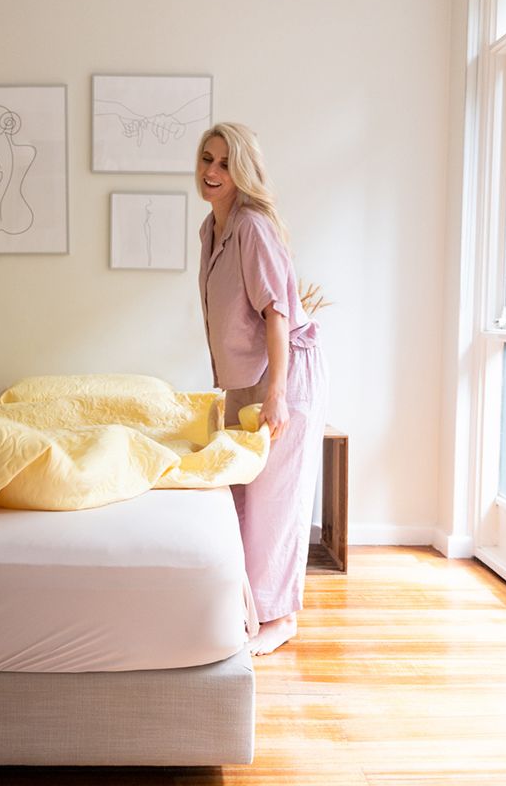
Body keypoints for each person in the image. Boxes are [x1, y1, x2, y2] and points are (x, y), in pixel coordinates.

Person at [196, 122, 328, 655]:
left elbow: (276, 312)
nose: (211, 171)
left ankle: (281, 618)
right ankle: (248, 605)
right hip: (245, 379)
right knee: (239, 495)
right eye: (207, 159)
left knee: (275, 499)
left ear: (242, 171)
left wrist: (276, 392)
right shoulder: (210, 230)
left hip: (284, 372)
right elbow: (218, 317)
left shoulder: (253, 226)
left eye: (224, 164)